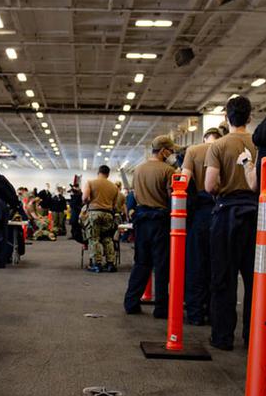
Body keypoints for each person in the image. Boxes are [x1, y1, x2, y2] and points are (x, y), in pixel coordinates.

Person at [205, 96, 257, 351]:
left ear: (226, 117)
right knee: (253, 280)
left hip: (226, 214)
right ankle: (252, 336)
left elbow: (210, 184)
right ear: (249, 117)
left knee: (223, 277)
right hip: (256, 214)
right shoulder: (260, 144)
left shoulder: (218, 146)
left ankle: (222, 336)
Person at [123, 136, 178, 317]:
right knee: (161, 265)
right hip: (160, 220)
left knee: (141, 262)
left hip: (141, 219)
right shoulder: (168, 171)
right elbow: (173, 198)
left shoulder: (138, 170)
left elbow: (133, 195)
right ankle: (161, 308)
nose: (172, 154)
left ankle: (131, 302)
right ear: (163, 151)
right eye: (170, 151)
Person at [180, 127, 221, 325]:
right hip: (222, 210)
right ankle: (215, 314)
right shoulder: (227, 149)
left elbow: (183, 181)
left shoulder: (194, 151)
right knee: (218, 267)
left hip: (200, 212)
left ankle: (195, 313)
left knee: (196, 264)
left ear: (205, 138)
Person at [82, 165, 119, 273]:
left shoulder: (90, 182)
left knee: (94, 239)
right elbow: (115, 205)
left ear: (98, 172)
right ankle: (110, 263)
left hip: (94, 213)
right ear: (108, 174)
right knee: (107, 239)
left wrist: (88, 202)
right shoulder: (114, 187)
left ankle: (97, 264)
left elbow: (84, 198)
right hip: (108, 214)